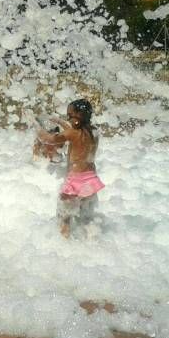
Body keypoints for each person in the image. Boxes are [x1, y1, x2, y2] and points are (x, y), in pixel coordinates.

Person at [37, 100, 104, 239]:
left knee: (64, 216)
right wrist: (59, 121)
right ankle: (92, 242)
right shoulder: (94, 132)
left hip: (75, 181)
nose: (68, 118)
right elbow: (72, 130)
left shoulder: (74, 133)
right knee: (85, 218)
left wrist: (35, 126)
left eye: (70, 115)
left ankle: (64, 243)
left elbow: (49, 139)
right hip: (91, 180)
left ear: (79, 116)